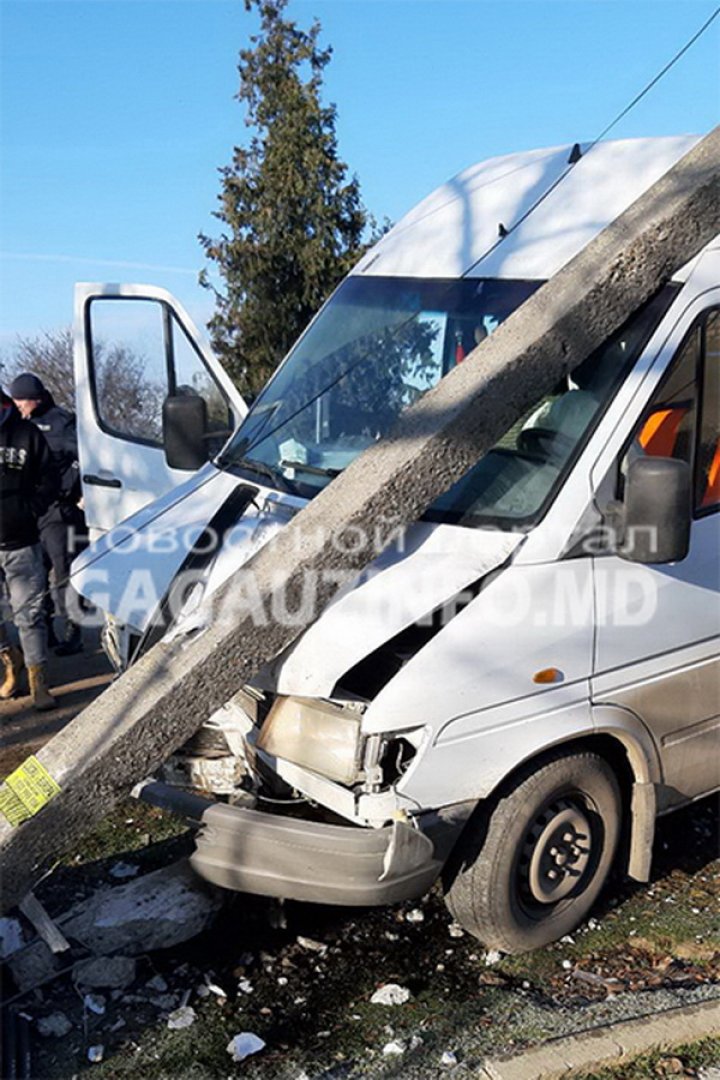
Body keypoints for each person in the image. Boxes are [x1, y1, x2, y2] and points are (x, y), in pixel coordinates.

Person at [9, 372, 86, 655]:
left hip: (59, 510)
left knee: (64, 571)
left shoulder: (61, 422)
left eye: (21, 401)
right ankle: (46, 631)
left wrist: (72, 490)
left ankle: (73, 630)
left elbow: (84, 457)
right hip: (33, 511)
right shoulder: (17, 425)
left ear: (36, 399)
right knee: (35, 573)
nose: (17, 406)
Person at [0, 388, 57, 710]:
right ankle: (12, 662)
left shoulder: (26, 433)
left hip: (21, 542)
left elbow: (51, 476)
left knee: (29, 614)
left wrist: (32, 506)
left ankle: (39, 680)